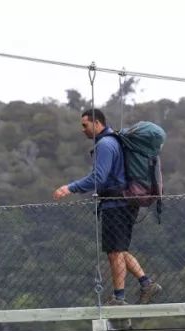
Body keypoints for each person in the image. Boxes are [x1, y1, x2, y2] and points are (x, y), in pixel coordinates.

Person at [54, 108, 161, 305]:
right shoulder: (114, 141)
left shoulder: (105, 144)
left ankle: (119, 297)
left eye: (85, 125)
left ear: (97, 123)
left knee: (114, 252)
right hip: (124, 202)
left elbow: (98, 178)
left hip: (116, 204)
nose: (82, 129)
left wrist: (70, 188)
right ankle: (146, 283)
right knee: (118, 248)